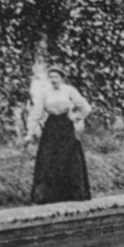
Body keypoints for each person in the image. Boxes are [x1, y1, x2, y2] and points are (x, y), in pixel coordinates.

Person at [28, 67, 92, 204]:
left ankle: (73, 194)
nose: (53, 80)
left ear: (62, 78)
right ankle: (47, 196)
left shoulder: (69, 90)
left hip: (66, 127)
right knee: (48, 158)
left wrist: (75, 117)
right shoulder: (44, 92)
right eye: (50, 77)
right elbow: (37, 112)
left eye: (56, 77)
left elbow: (86, 107)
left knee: (69, 157)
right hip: (51, 127)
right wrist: (30, 131)